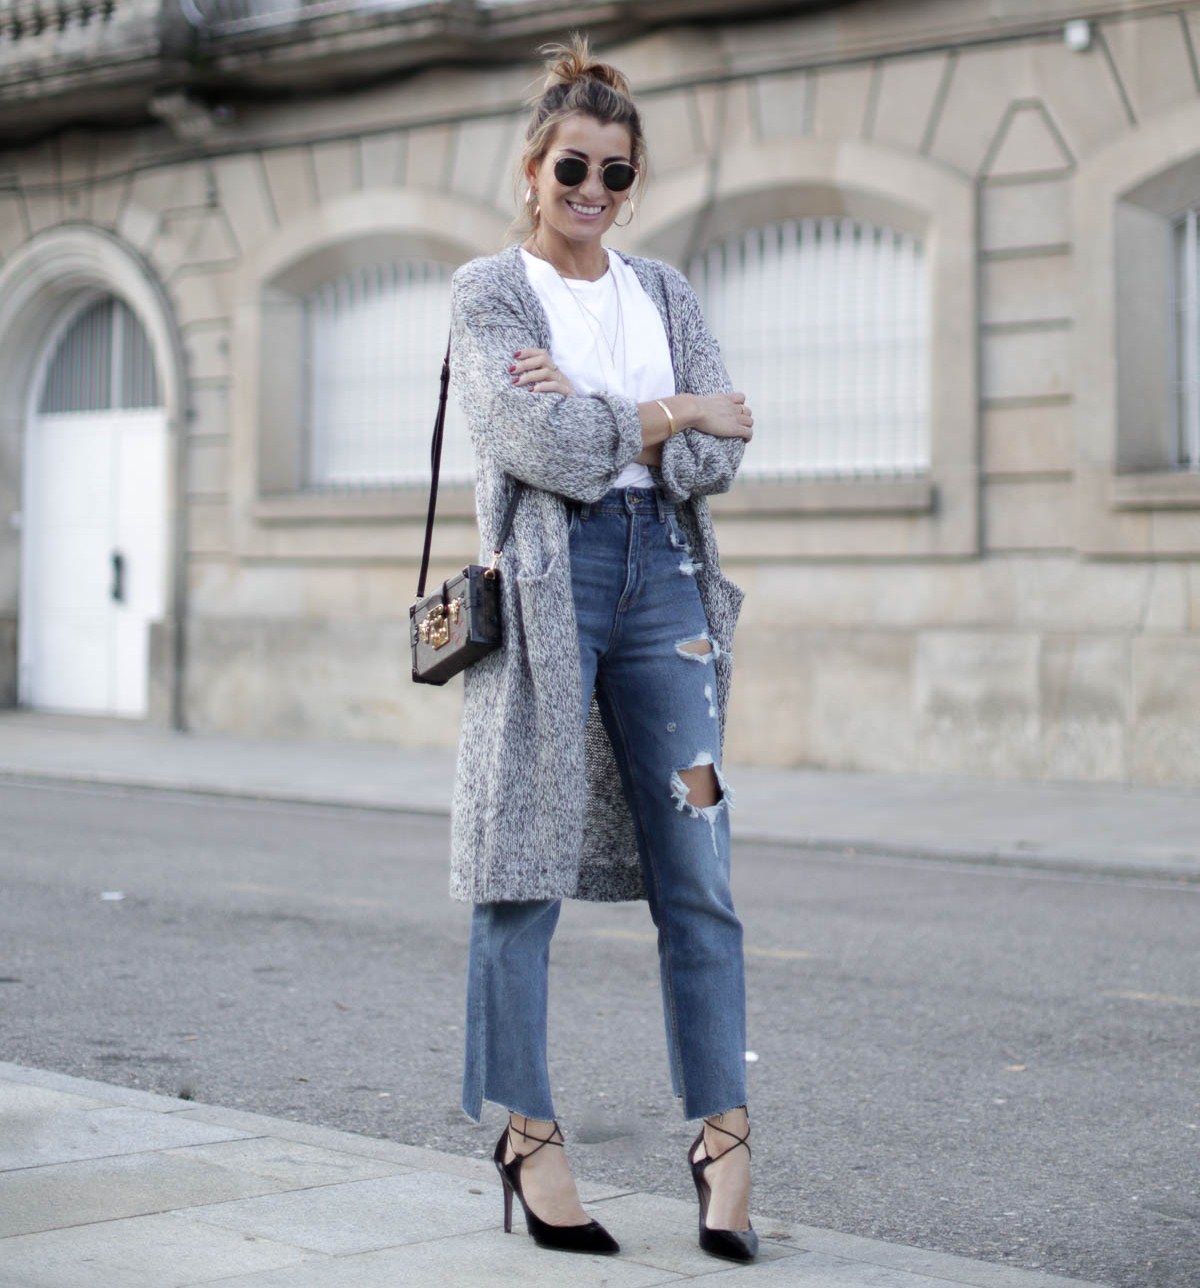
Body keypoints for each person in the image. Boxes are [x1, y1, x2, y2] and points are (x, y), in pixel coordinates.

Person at [448, 34, 757, 1262]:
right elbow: (534, 442)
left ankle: (725, 1139)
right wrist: (666, 412)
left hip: (668, 588)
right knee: (520, 860)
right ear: (533, 169)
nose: (592, 189)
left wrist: (600, 409)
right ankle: (527, 1135)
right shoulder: (490, 293)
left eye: (615, 173)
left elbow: (723, 451)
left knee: (702, 861)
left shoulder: (664, 292)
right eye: (571, 167)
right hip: (544, 588)